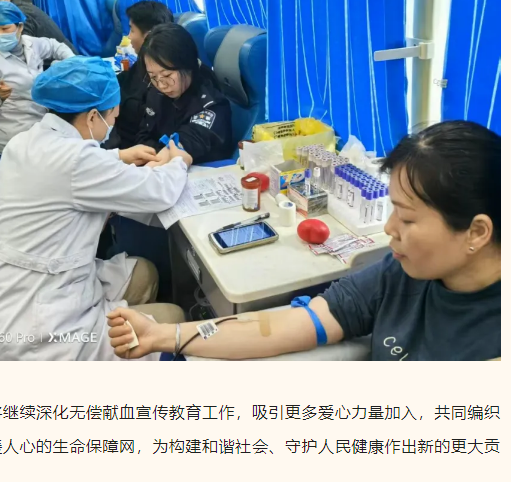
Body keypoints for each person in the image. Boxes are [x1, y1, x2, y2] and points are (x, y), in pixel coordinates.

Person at [109, 121, 501, 361]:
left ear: (477, 232)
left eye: (408, 218)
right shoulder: (399, 275)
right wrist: (166, 336)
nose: (389, 228)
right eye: (392, 209)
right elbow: (291, 325)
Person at [0, 56, 193, 361]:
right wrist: (179, 161)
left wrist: (117, 156)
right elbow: (160, 192)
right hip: (35, 329)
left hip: (9, 292)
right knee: (174, 318)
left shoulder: (24, 142)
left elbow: (65, 173)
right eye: (112, 116)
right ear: (92, 117)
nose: (113, 124)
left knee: (143, 273)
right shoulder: (77, 162)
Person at [0, 1, 75, 154]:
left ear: (20, 27)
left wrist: (71, 62)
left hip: (41, 124)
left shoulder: (30, 44)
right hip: (14, 135)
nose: (0, 35)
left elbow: (55, 46)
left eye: (5, 28)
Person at [135, 23, 233, 165]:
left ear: (188, 65)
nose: (161, 85)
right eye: (153, 76)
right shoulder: (156, 91)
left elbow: (183, 144)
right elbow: (145, 133)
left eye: (167, 75)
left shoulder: (211, 105)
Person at [104, 0, 174, 150]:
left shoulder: (166, 83)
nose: (128, 37)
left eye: (132, 30)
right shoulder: (140, 66)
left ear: (149, 36)